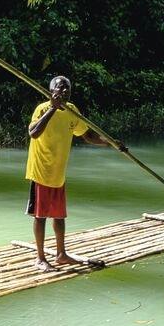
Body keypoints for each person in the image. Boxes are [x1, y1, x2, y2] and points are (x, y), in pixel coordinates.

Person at [25, 75, 124, 271]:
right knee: (40, 215)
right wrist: (53, 108)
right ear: (51, 91)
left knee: (59, 216)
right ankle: (40, 258)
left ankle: (61, 254)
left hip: (58, 172)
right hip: (41, 170)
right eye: (60, 89)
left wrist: (111, 143)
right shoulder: (42, 109)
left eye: (67, 90)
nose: (64, 93)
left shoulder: (72, 111)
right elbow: (33, 132)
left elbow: (87, 135)